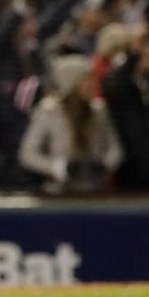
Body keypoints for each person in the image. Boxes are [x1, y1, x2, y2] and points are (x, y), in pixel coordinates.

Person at [18, 54, 124, 194]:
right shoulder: (49, 111)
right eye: (87, 79)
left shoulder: (99, 110)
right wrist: (58, 168)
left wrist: (104, 166)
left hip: (96, 191)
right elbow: (28, 153)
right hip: (59, 193)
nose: (93, 84)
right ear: (72, 83)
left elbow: (115, 149)